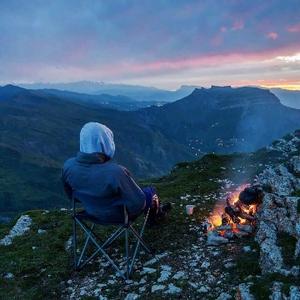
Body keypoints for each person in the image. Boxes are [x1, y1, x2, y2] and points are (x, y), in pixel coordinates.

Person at [62, 122, 170, 225]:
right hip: (119, 216)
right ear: (105, 143)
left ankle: (158, 213)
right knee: (150, 192)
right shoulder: (115, 172)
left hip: (91, 212)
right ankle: (156, 217)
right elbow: (138, 204)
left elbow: (72, 196)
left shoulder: (68, 166)